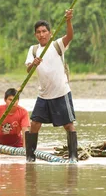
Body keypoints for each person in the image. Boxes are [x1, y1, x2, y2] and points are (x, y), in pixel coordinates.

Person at [24, 9, 77, 162]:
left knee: (68, 125)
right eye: (38, 32)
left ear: (50, 33)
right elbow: (28, 69)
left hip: (61, 92)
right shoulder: (33, 50)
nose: (41, 34)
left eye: (44, 31)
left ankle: (73, 157)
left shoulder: (56, 45)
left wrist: (68, 20)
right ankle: (30, 157)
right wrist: (33, 64)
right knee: (34, 124)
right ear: (35, 35)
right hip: (44, 95)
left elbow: (70, 36)